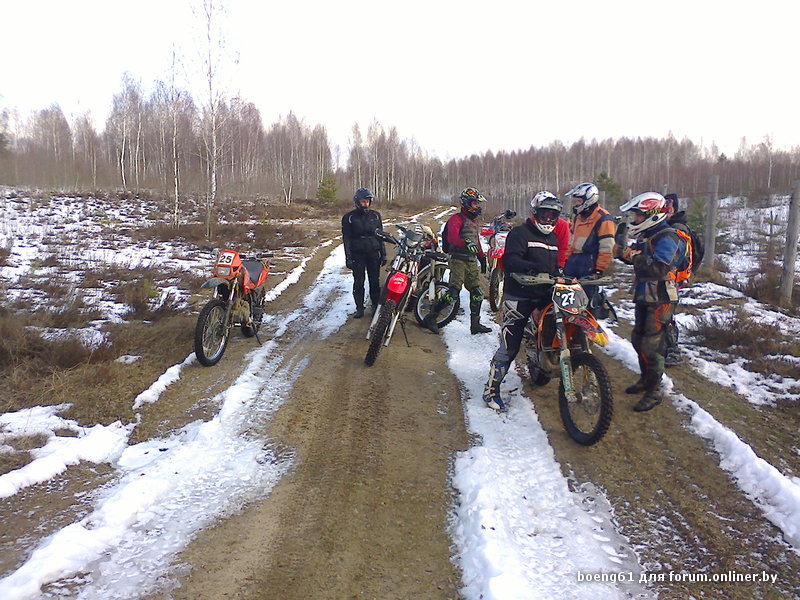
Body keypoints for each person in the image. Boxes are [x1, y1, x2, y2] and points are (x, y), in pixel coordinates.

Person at [482, 191, 562, 412]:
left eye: (553, 215)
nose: (548, 219)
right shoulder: (520, 233)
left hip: (544, 294)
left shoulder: (553, 238)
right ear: (535, 213)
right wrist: (530, 267)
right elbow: (510, 260)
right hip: (518, 295)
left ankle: (542, 363)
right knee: (510, 344)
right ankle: (491, 389)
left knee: (554, 332)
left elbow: (553, 267)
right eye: (544, 214)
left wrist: (561, 274)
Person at [613, 191, 688, 412]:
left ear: (651, 215)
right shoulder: (649, 235)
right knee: (638, 338)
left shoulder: (669, 237)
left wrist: (631, 255)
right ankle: (646, 380)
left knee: (652, 344)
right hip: (645, 293)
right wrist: (622, 250)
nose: (635, 220)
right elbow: (638, 259)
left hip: (662, 296)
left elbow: (659, 267)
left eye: (638, 215)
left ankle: (654, 391)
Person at [422, 187, 492, 335]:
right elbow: (452, 238)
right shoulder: (456, 219)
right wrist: (466, 243)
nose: (477, 206)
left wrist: (481, 257)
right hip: (458, 259)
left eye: (478, 204)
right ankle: (431, 316)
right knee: (453, 293)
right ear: (466, 203)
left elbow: (476, 241)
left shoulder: (474, 221)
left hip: (471, 260)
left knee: (477, 293)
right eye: (475, 203)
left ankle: (475, 324)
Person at [563, 182, 615, 316]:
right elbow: (571, 241)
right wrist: (565, 261)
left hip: (589, 263)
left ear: (588, 200)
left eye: (579, 201)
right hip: (574, 261)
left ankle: (587, 327)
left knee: (586, 304)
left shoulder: (604, 218)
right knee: (567, 300)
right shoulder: (578, 217)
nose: (576, 204)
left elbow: (607, 247)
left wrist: (599, 269)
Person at [342, 188, 386, 318]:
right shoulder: (349, 218)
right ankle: (359, 308)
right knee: (359, 282)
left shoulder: (375, 215)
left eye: (367, 201)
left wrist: (383, 254)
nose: (365, 204)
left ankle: (375, 306)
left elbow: (381, 235)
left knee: (374, 281)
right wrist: (348, 257)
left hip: (373, 252)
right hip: (358, 253)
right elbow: (346, 239)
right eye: (363, 201)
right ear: (357, 202)